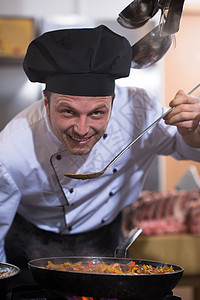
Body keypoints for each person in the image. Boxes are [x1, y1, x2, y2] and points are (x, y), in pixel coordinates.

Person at [0, 25, 200, 285]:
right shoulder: (11, 149)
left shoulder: (140, 113)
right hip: (30, 241)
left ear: (114, 102)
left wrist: (193, 130)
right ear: (46, 103)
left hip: (105, 236)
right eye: (68, 112)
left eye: (97, 113)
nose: (82, 130)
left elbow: (188, 148)